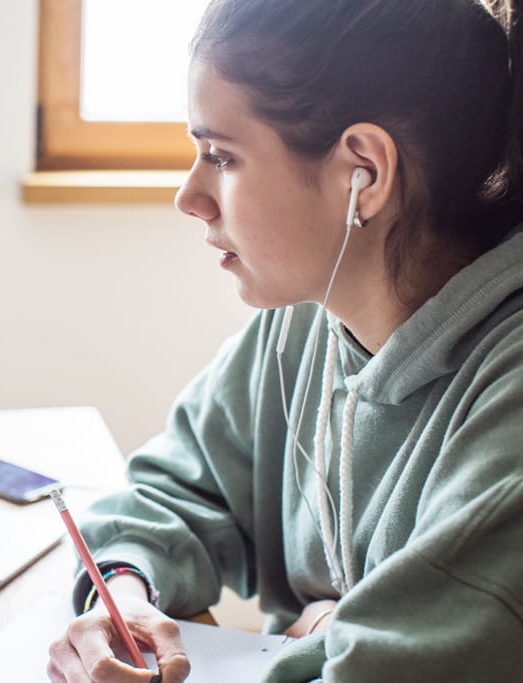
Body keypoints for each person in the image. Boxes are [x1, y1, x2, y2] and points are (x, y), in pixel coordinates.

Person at [47, 1, 523, 681]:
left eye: (220, 155)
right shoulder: (304, 321)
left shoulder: (509, 410)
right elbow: (173, 490)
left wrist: (329, 638)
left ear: (364, 171)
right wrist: (123, 594)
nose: (189, 195)